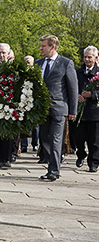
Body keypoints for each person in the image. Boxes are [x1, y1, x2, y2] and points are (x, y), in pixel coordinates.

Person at [35, 34, 78, 181]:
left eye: (43, 46)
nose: (40, 48)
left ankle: (54, 171)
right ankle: (52, 165)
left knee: (56, 139)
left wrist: (73, 110)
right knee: (44, 139)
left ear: (52, 47)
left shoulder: (66, 63)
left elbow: (73, 88)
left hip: (59, 108)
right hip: (42, 109)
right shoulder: (38, 63)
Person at [72, 46, 98, 173]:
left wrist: (93, 95)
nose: (87, 59)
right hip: (80, 112)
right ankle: (81, 154)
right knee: (79, 137)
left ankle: (93, 163)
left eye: (90, 57)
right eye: (85, 57)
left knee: (94, 140)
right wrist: (76, 95)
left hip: (94, 112)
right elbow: (72, 87)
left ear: (96, 58)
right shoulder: (78, 72)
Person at [0, 43, 14, 169]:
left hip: (10, 104)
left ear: (8, 54)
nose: (1, 55)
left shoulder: (13, 67)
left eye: (4, 53)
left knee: (9, 133)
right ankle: (0, 157)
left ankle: (8, 158)